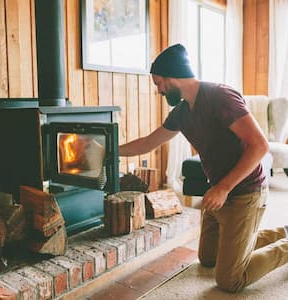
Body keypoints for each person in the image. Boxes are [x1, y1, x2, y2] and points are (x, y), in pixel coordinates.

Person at [119, 43, 288, 293]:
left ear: (173, 77)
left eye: (159, 84)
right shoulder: (181, 113)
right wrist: (113, 150)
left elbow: (260, 145)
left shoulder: (220, 97)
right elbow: (148, 142)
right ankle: (280, 232)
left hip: (245, 192)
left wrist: (223, 188)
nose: (159, 91)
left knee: (230, 280)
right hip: (218, 195)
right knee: (208, 258)